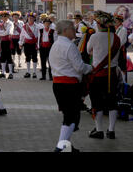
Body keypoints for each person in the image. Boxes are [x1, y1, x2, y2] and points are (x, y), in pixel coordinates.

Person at [49, 20, 93, 152]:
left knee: (68, 115)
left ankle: (66, 145)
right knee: (71, 117)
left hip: (58, 84)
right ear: (66, 30)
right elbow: (79, 67)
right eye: (73, 29)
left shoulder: (56, 44)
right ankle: (60, 147)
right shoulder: (69, 46)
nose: (75, 31)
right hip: (69, 85)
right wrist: (91, 68)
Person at [86, 11, 121, 140]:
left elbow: (87, 50)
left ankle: (99, 130)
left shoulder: (94, 37)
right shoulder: (116, 38)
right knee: (112, 102)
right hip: (112, 75)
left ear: (99, 24)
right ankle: (111, 130)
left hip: (98, 75)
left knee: (97, 103)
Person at [19, 12, 39, 78]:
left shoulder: (37, 26)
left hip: (34, 44)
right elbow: (22, 36)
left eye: (32, 18)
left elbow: (39, 36)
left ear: (34, 19)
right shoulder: (24, 26)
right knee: (27, 58)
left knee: (34, 58)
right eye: (29, 18)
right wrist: (20, 43)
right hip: (27, 44)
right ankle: (28, 72)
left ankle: (34, 72)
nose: (30, 19)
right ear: (27, 18)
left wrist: (38, 44)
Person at [0, 11, 14, 79]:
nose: (4, 17)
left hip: (8, 41)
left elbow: (8, 32)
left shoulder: (10, 23)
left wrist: (2, 33)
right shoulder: (1, 23)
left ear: (8, 17)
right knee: (2, 56)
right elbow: (0, 31)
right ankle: (3, 72)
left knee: (9, 56)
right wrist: (2, 33)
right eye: (2, 16)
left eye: (5, 16)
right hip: (2, 41)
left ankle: (10, 73)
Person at [114, 13, 127, 82]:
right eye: (115, 21)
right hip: (117, 50)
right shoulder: (116, 29)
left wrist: (115, 47)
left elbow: (122, 41)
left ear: (120, 21)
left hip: (121, 51)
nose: (115, 22)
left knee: (122, 67)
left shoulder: (123, 29)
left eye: (116, 21)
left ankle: (123, 83)